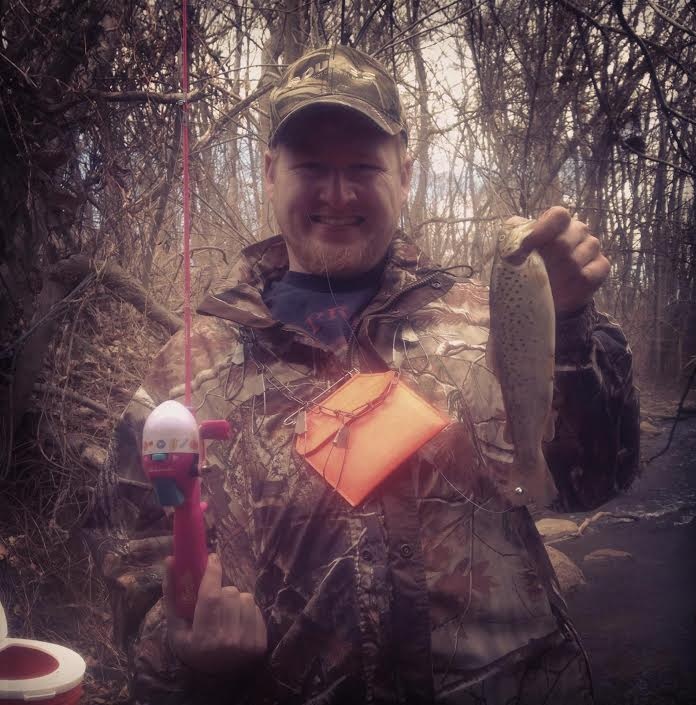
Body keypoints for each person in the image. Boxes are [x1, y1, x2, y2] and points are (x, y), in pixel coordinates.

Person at [87, 45, 640, 704]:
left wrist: (572, 323)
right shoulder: (189, 365)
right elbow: (133, 553)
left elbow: (591, 482)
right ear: (268, 172)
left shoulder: (486, 317)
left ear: (404, 175)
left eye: (363, 167)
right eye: (311, 165)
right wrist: (187, 654)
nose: (337, 192)